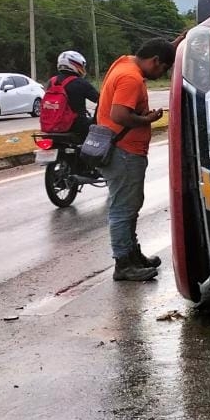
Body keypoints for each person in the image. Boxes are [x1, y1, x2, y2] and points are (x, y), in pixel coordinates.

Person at [96, 38, 177, 282]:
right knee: (123, 209)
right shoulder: (131, 78)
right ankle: (123, 264)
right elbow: (119, 114)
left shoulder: (124, 63)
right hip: (124, 152)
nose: (161, 73)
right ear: (154, 61)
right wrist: (148, 120)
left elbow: (155, 50)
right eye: (163, 68)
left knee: (130, 206)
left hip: (122, 150)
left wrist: (174, 43)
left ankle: (132, 255)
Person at [50, 50, 100, 142]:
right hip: (75, 126)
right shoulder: (80, 83)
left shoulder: (52, 81)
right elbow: (101, 100)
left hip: (51, 125)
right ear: (75, 65)